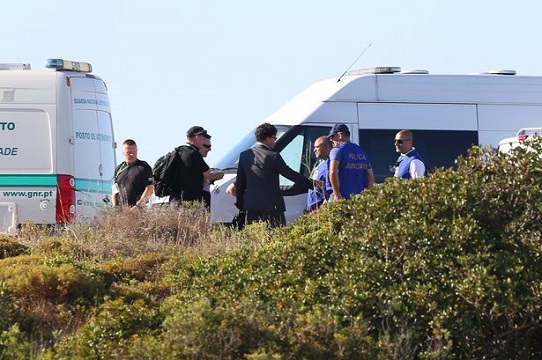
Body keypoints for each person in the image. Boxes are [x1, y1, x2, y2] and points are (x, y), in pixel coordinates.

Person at [235, 122, 313, 228]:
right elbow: (290, 174)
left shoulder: (244, 156)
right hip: (272, 206)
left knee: (254, 239)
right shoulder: (273, 156)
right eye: (274, 138)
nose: (274, 141)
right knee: (276, 237)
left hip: (251, 206)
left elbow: (240, 182)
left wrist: (241, 205)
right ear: (268, 138)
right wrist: (313, 185)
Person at [169, 126, 224, 209]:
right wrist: (221, 174)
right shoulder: (193, 153)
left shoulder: (179, 152)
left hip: (175, 200)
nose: (203, 139)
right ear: (196, 137)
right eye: (203, 136)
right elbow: (209, 175)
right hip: (189, 202)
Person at [327, 124, 374, 201]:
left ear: (340, 135)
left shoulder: (337, 150)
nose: (332, 141)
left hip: (343, 198)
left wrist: (336, 194)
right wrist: (367, 196)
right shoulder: (362, 152)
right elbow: (370, 177)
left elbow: (332, 172)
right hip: (359, 201)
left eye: (332, 137)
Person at [112, 139, 154, 209]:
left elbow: (150, 189)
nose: (132, 154)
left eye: (134, 152)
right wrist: (115, 205)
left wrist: (139, 206)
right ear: (123, 152)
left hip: (138, 210)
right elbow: (114, 190)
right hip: (121, 212)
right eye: (128, 152)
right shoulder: (118, 169)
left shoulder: (143, 167)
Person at [306, 136, 333, 212]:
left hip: (320, 209)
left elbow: (331, 190)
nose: (314, 150)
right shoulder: (319, 164)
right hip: (312, 208)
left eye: (317, 147)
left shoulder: (330, 164)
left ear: (326, 147)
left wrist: (321, 209)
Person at [198, 136, 214, 209]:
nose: (209, 149)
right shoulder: (196, 160)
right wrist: (219, 175)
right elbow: (208, 176)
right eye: (207, 146)